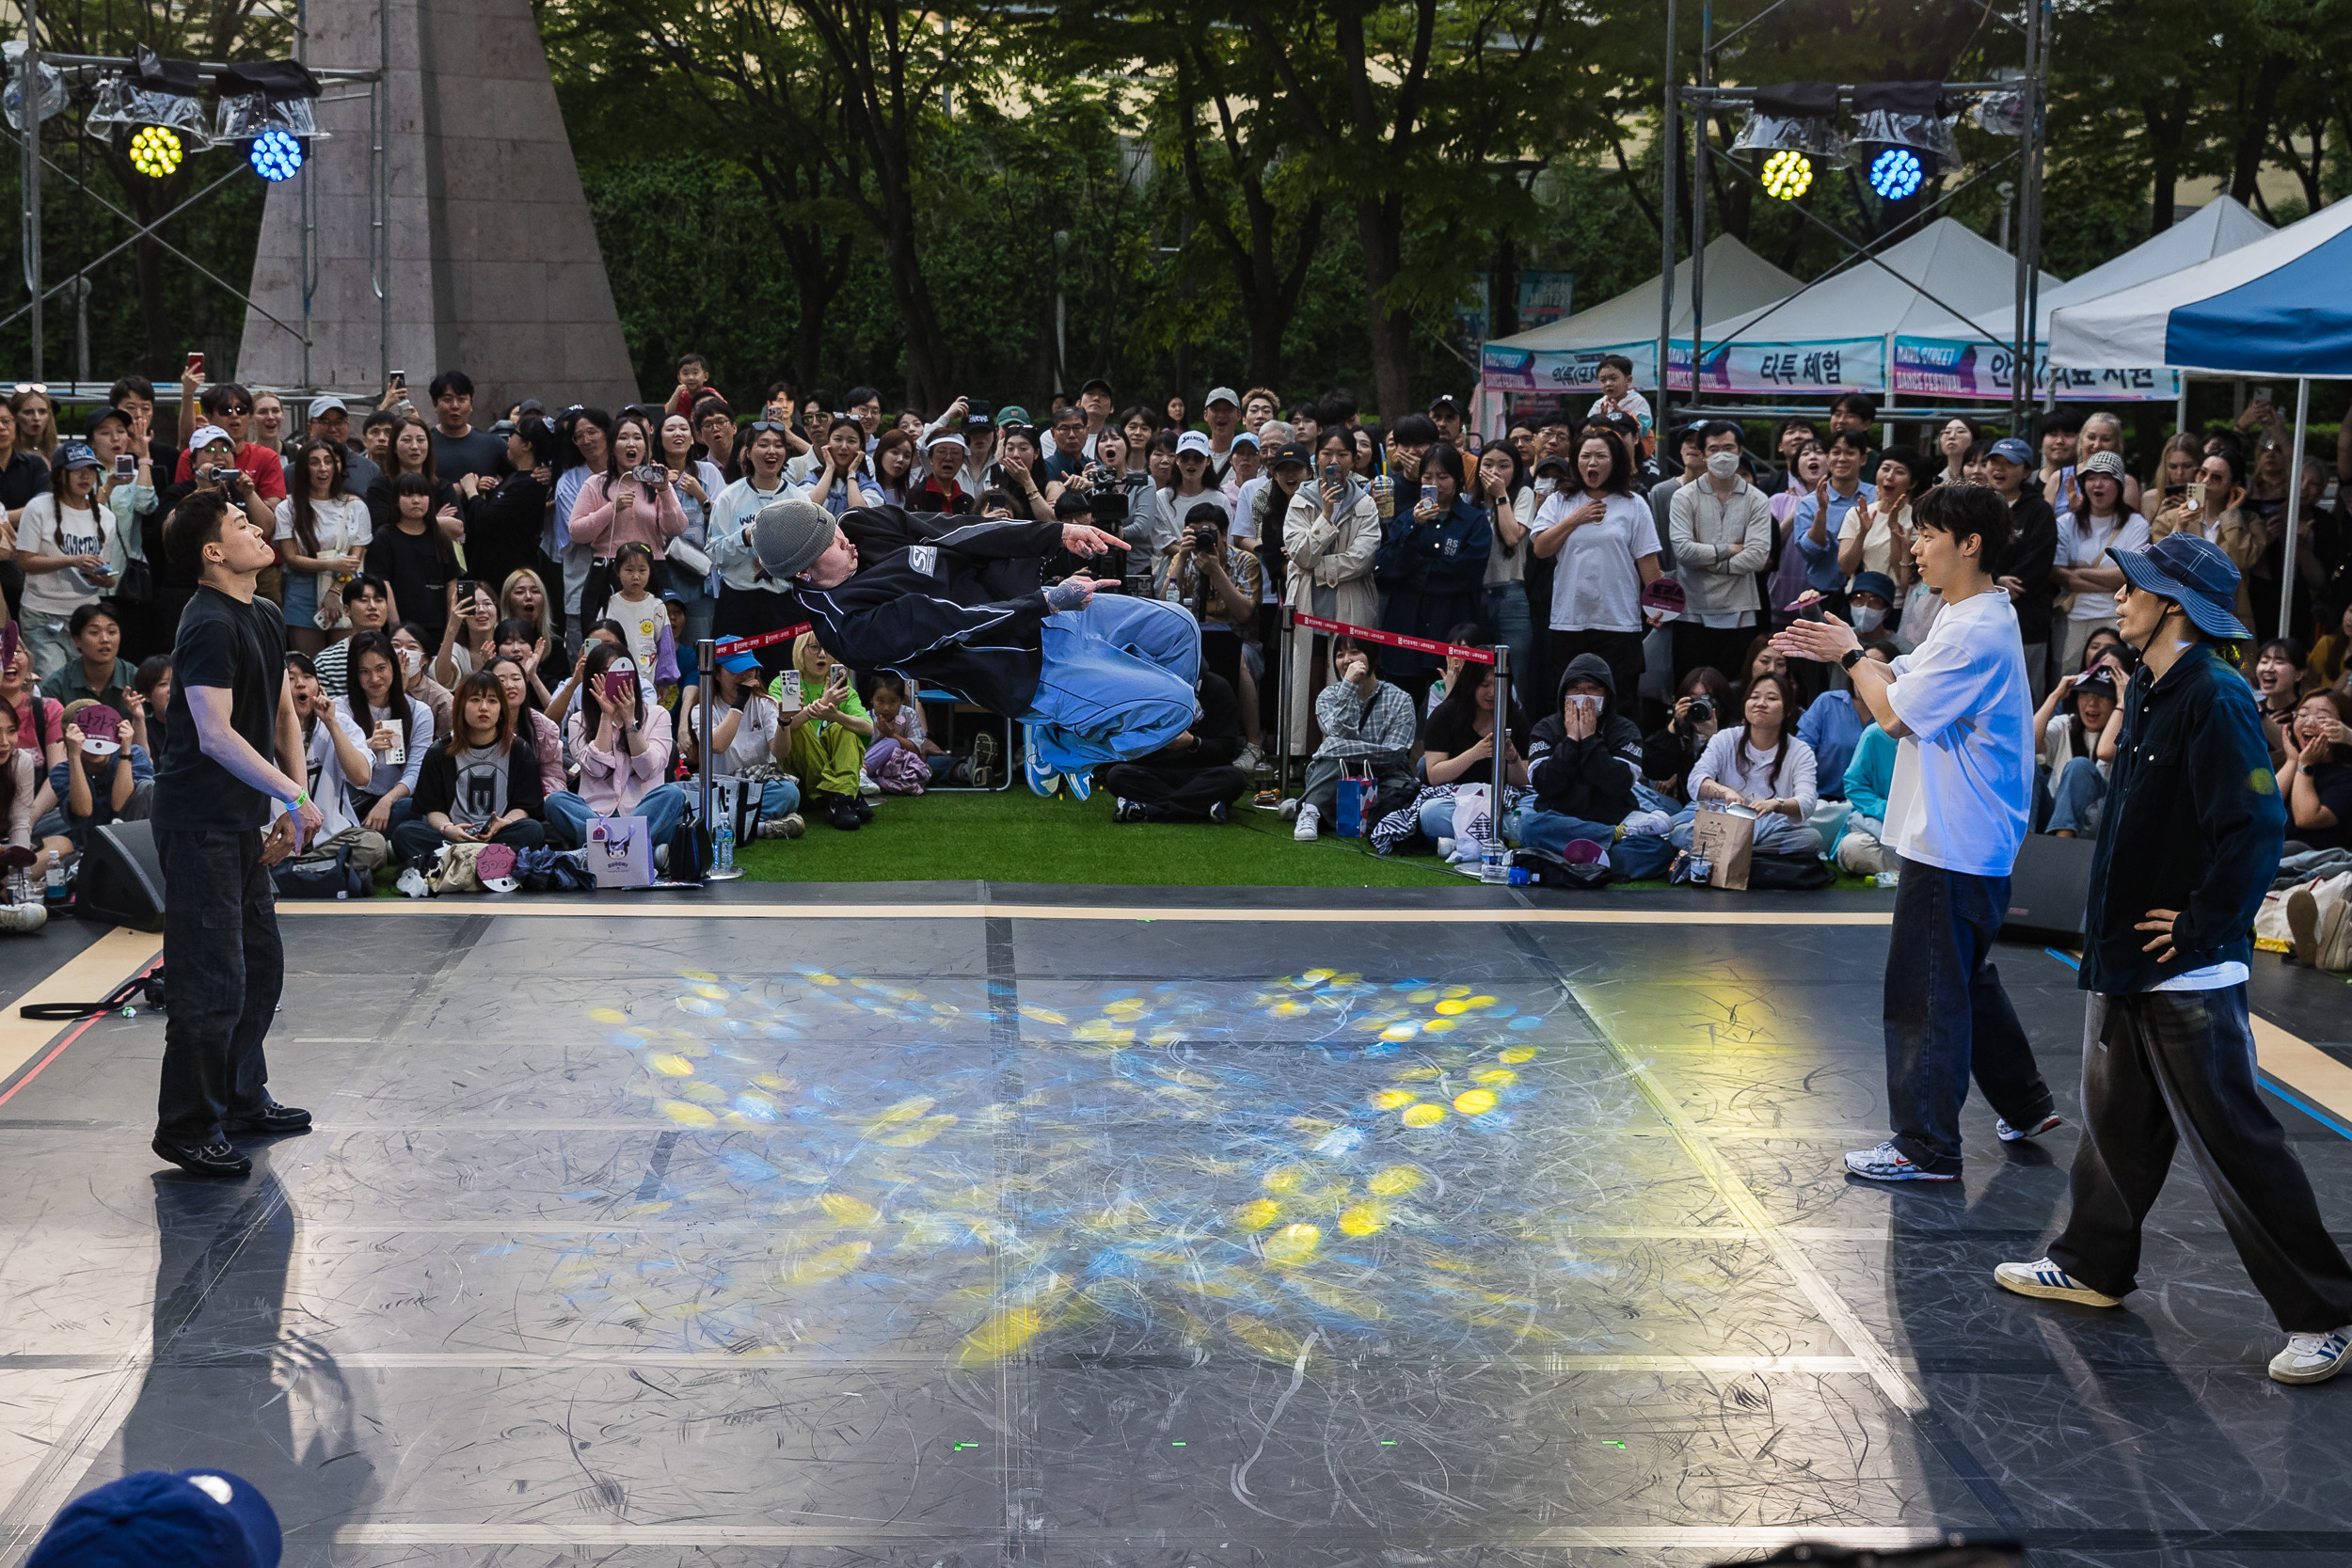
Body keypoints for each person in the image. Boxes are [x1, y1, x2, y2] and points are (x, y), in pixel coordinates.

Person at [1994, 531, 2352, 1385]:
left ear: (2173, 606)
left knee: (2236, 1140)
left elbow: (2256, 826)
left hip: (2186, 968)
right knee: (2118, 1125)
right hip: (2129, 957)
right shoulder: (2152, 685)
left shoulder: (2217, 694)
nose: (2120, 596)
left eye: (2137, 587)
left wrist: (2199, 926)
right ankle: (2091, 1263)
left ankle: (2328, 1312)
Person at [1775, 483, 2058, 1182]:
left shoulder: (1975, 629)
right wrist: (1851, 649)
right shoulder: (1969, 616)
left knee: (1925, 992)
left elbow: (1894, 715)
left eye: (1930, 533)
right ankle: (2025, 1103)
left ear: (1972, 544)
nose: (1917, 546)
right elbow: (1900, 676)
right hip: (1968, 837)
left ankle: (1926, 1145)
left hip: (1955, 839)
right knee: (1965, 977)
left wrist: (1847, 654)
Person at [755, 499, 1200, 797]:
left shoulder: (856, 525)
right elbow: (958, 623)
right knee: (1177, 708)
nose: (844, 538)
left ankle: (1087, 727)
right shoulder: (847, 629)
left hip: (1044, 606)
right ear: (804, 574)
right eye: (831, 543)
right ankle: (1063, 748)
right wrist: (1043, 603)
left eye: (834, 529)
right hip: (1029, 670)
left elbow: (957, 530)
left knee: (1182, 628)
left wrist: (1055, 534)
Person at [147, 488, 322, 1179]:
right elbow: (215, 735)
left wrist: (291, 794)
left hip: (242, 822)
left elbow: (282, 711)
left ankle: (242, 1096)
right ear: (213, 552)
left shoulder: (266, 612)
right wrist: (290, 793)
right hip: (197, 824)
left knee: (261, 967)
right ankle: (187, 1124)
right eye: (241, 523)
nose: (257, 526)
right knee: (210, 979)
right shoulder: (207, 623)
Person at [1531, 429, 1664, 707]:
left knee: (1619, 701)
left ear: (1615, 461)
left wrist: (1660, 605)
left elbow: (1648, 564)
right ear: (1574, 461)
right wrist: (1574, 519)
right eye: (1585, 456)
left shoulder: (1634, 504)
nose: (1592, 463)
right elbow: (1541, 548)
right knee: (1569, 701)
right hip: (1569, 620)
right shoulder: (1559, 501)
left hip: (1619, 622)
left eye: (1600, 456)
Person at [1507, 654, 1673, 877]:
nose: (1583, 696)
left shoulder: (1625, 731)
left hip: (1613, 816)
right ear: (1563, 694)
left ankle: (1567, 860)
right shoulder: (1545, 728)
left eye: (1592, 689)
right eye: (1574, 689)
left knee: (1659, 850)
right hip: (1558, 821)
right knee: (1531, 827)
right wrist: (1571, 741)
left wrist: (1589, 739)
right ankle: (1608, 846)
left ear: (1607, 694)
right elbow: (1545, 785)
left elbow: (1618, 784)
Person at [1279, 431, 1382, 752]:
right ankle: (1301, 754)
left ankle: (1342, 753)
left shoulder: (1365, 503)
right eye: (1326, 453)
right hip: (1308, 604)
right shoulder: (1301, 499)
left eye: (1342, 454)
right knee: (1305, 682)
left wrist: (1318, 568)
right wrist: (1325, 514)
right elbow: (1300, 552)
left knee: (1346, 679)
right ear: (1316, 459)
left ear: (1354, 459)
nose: (1334, 461)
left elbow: (1363, 558)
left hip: (1350, 603)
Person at [390, 668, 549, 875]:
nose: (484, 707)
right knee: (405, 833)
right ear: (461, 706)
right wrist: (448, 829)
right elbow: (432, 808)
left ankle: (456, 863)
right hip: (453, 836)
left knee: (532, 830)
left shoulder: (519, 750)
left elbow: (525, 806)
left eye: (492, 701)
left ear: (502, 709)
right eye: (475, 700)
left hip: (497, 835)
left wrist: (504, 824)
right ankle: (490, 863)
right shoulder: (440, 751)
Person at [1375, 444, 1492, 712]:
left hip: (1452, 618)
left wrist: (1417, 572)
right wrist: (1415, 528)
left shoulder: (1473, 521)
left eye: (1443, 477)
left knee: (1454, 701)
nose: (1435, 484)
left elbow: (1466, 571)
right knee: (1402, 700)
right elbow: (1387, 567)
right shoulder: (1407, 518)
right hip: (1407, 621)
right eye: (1428, 477)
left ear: (1458, 479)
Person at [546, 639, 688, 850]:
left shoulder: (658, 715)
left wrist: (630, 720)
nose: (613, 680)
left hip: (642, 812)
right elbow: (597, 768)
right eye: (605, 673)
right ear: (592, 678)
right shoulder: (578, 721)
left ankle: (600, 848)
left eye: (620, 672)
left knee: (673, 795)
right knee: (555, 801)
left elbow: (648, 769)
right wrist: (606, 716)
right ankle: (630, 848)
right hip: (594, 816)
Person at [1669, 421, 1773, 685]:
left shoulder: (1757, 499)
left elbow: (1758, 556)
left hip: (1741, 610)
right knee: (1691, 687)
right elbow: (1683, 550)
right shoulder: (1683, 497)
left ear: (1740, 451)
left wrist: (1714, 564)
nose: (1722, 455)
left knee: (1735, 690)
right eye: (1713, 449)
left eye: (1728, 447)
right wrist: (1730, 549)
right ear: (1702, 454)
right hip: (1692, 610)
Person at [1675, 671, 1821, 858]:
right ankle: (1753, 859)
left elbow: (1807, 801)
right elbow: (1696, 780)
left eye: (1771, 698)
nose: (1761, 703)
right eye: (1754, 697)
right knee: (1679, 834)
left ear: (1788, 710)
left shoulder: (1800, 751)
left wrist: (1776, 804)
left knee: (1810, 839)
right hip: (1724, 825)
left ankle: (1730, 856)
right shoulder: (1725, 738)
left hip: (1772, 828)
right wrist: (1725, 792)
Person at [1294, 636, 1418, 843]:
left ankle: (1311, 806)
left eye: (1354, 652)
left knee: (1333, 753)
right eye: (1340, 655)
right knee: (1333, 762)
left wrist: (1333, 747)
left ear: (1373, 658)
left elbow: (1395, 751)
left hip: (1384, 775)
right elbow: (1340, 733)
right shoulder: (1327, 696)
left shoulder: (1400, 698)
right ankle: (1311, 811)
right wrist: (1349, 687)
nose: (1347, 660)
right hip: (1338, 774)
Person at [568, 412, 686, 627]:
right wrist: (610, 509)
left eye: (637, 438)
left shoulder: (657, 484)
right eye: (623, 438)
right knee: (603, 638)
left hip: (651, 569)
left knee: (654, 636)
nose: (631, 443)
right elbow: (576, 532)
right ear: (612, 446)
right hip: (609, 569)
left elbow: (677, 528)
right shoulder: (596, 483)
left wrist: (665, 492)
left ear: (646, 447)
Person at [13, 443, 118, 677]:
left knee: (84, 685)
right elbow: (25, 561)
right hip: (41, 613)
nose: (85, 475)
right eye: (76, 470)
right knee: (51, 679)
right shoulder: (38, 508)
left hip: (87, 615)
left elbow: (108, 580)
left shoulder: (107, 518)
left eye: (91, 470)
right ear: (60, 474)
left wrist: (103, 578)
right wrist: (72, 560)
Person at [682, 640, 804, 837]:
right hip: (720, 790)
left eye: (750, 668)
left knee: (788, 794)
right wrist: (740, 700)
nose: (746, 675)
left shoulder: (766, 703)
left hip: (758, 788)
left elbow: (780, 751)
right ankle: (760, 828)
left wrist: (784, 720)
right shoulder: (702, 709)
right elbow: (718, 745)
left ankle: (726, 826)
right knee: (688, 800)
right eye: (736, 670)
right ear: (716, 674)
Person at [281, 650, 388, 878]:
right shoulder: (263, 725)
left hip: (330, 838)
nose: (300, 685)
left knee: (373, 846)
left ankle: (290, 872)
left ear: (319, 687)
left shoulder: (339, 722)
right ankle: (323, 871)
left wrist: (330, 723)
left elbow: (361, 777)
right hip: (277, 836)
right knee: (246, 848)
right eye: (290, 678)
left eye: (308, 677)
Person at [1101, 669, 1251, 824]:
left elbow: (1227, 750)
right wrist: (1156, 739)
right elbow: (1130, 748)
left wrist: (1193, 743)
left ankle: (1149, 810)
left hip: (1202, 773)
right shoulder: (1149, 689)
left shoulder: (1217, 687)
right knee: (1117, 776)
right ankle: (1201, 809)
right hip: (1157, 773)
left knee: (1235, 778)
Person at [2050, 451, 2148, 677]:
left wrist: (2077, 572)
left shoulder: (2136, 524)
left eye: (2106, 477)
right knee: (2068, 679)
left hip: (2118, 616)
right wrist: (2111, 577)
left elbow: (2131, 576)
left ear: (2120, 484)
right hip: (2073, 617)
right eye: (2091, 478)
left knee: (2116, 679)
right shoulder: (2067, 523)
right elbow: (2056, 572)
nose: (2098, 484)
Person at [273, 437, 371, 657]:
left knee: (347, 662)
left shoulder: (355, 506)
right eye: (314, 462)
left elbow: (355, 558)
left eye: (328, 461)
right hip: (301, 589)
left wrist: (335, 590)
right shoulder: (287, 508)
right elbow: (291, 557)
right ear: (303, 468)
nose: (323, 468)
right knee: (307, 663)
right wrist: (332, 564)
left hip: (345, 587)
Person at [1982, 436, 2060, 704]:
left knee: (2025, 698)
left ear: (2027, 471)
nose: (1999, 469)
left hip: (2027, 621)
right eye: (1994, 462)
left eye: (2010, 463)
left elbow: (2039, 562)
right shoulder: (1976, 506)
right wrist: (1994, 580)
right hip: (1983, 619)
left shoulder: (2039, 511)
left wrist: (2003, 584)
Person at [331, 628, 433, 835]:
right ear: (354, 674)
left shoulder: (420, 712)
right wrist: (367, 746)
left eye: (381, 668)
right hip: (352, 797)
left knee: (411, 811)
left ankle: (370, 841)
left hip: (396, 800)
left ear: (393, 668)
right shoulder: (339, 709)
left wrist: (386, 801)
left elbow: (415, 772)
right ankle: (371, 842)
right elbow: (334, 766)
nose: (374, 678)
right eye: (364, 671)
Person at [777, 632, 873, 831]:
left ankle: (842, 796)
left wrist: (836, 715)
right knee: (797, 728)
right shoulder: (784, 684)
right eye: (814, 648)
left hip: (829, 765)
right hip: (799, 776)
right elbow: (777, 731)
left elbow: (868, 727)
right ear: (800, 651)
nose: (822, 654)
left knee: (843, 728)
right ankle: (846, 793)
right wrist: (819, 706)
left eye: (828, 648)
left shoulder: (843, 688)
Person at [363, 473, 460, 646]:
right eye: (408, 495)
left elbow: (451, 583)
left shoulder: (440, 538)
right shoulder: (384, 537)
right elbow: (383, 582)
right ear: (395, 501)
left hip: (437, 625)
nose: (416, 500)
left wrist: (450, 625)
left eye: (423, 495)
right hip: (399, 626)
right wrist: (395, 625)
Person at [2032, 663, 2122, 838]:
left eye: (2103, 696)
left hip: (2097, 822)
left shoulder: (2126, 734)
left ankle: (2061, 848)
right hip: (2052, 815)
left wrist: (2124, 703)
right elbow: (2030, 745)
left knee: (2079, 766)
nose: (2092, 703)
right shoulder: (2066, 723)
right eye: (2086, 693)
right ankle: (2022, 845)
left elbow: (2105, 753)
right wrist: (2055, 696)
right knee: (2028, 766)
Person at [2276, 689, 2352, 852]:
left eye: (2321, 717)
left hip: (2312, 864)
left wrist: (2305, 765)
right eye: (2302, 715)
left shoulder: (2346, 776)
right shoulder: (2288, 765)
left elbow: (2307, 819)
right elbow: (2262, 806)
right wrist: (2292, 760)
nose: (2309, 723)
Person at [37, 602, 134, 713]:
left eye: (112, 632)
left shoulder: (136, 678)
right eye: (94, 632)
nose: (105, 639)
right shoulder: (57, 685)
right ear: (77, 640)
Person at [425, 370, 505, 483]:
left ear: (471, 403)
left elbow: (519, 477)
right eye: (447, 400)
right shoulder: (423, 445)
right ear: (434, 403)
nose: (455, 406)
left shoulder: (492, 444)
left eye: (461, 400)